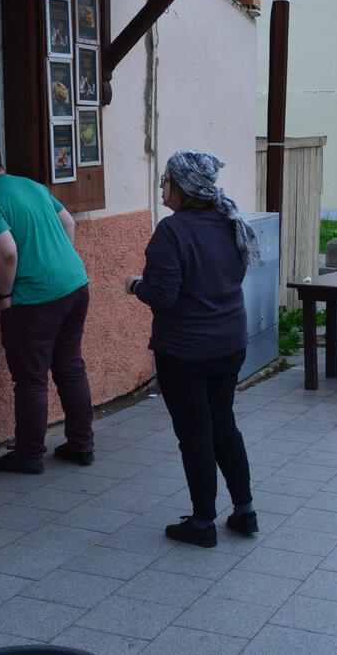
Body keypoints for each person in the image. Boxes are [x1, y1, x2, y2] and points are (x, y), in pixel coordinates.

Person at [128, 150, 260, 548]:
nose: (161, 186)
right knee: (223, 423)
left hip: (185, 351)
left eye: (166, 179)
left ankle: (202, 523)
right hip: (229, 342)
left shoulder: (173, 231)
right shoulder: (228, 221)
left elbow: (164, 296)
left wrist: (137, 285)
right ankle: (244, 512)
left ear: (183, 187)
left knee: (196, 435)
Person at [0, 139, 94, 475]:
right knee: (70, 367)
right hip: (75, 284)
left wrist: (5, 297)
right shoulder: (32, 185)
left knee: (31, 378)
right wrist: (54, 263)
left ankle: (29, 454)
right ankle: (81, 444)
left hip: (36, 299)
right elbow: (68, 223)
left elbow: (7, 252)